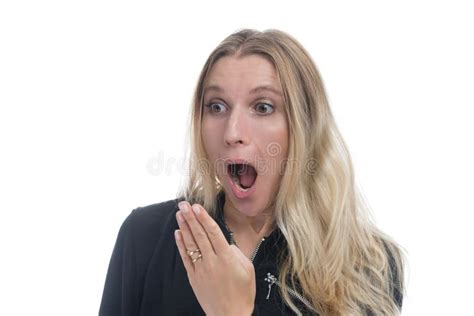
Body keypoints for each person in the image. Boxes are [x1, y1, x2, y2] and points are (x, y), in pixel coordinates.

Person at [99, 28, 406, 316]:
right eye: (216, 107)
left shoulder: (370, 264)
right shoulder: (146, 237)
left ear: (304, 127)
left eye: (262, 107)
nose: (232, 132)